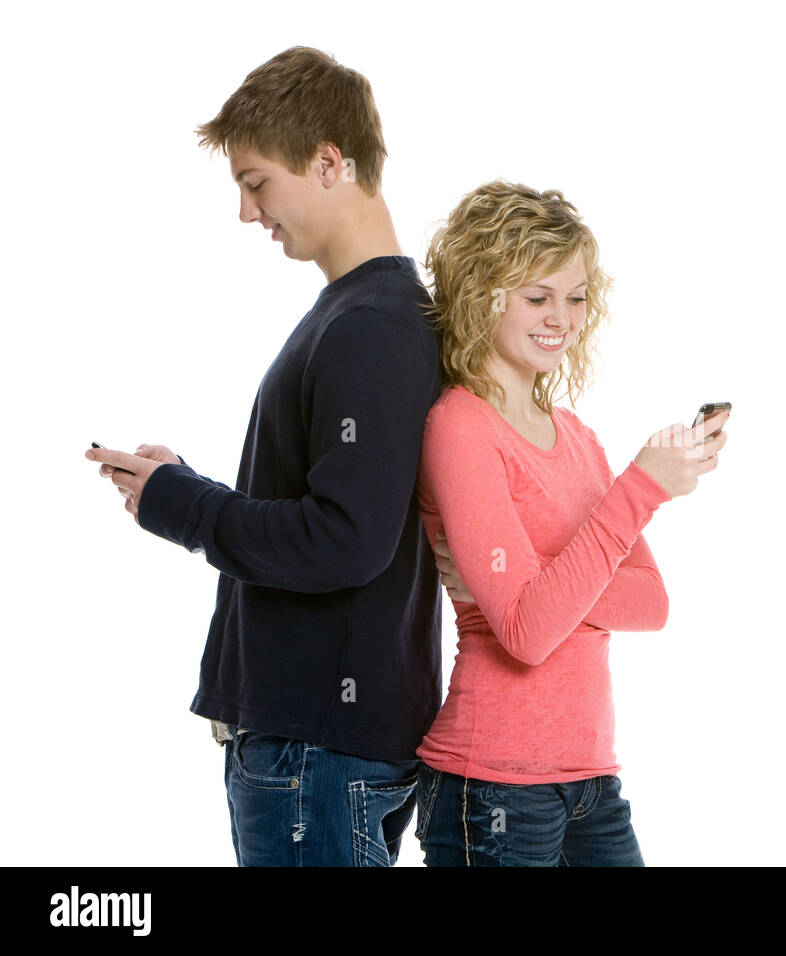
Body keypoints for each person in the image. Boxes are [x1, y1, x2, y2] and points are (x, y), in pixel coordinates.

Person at [83, 46, 443, 866]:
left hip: (316, 751)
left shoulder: (371, 327)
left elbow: (345, 539)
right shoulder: (362, 315)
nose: (248, 213)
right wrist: (180, 485)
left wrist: (182, 505)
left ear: (327, 163)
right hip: (322, 745)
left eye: (255, 183)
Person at [413, 180, 729, 866]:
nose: (562, 316)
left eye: (577, 296)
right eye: (537, 296)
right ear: (481, 296)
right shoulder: (460, 428)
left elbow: (652, 603)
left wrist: (539, 586)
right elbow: (527, 633)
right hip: (493, 787)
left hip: (591, 783)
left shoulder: (578, 437)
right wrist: (640, 490)